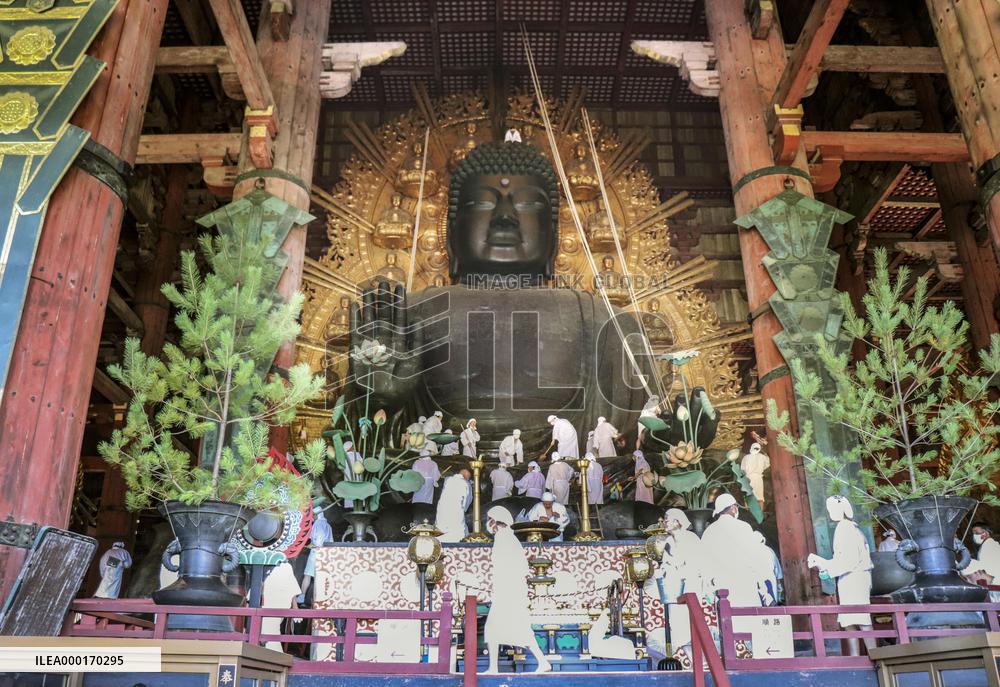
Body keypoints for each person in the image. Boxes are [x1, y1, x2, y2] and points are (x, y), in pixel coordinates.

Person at [483, 506, 552, 674]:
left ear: (495, 522)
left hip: (507, 594)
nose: (488, 523)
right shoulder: (507, 538)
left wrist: (498, 591)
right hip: (508, 593)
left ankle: (542, 662)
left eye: (489, 520)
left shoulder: (504, 539)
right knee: (495, 629)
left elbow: (505, 570)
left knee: (508, 628)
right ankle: (494, 667)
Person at [808, 496, 873, 655]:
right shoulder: (850, 528)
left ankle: (873, 654)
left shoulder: (845, 528)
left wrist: (824, 565)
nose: (830, 512)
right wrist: (824, 564)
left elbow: (847, 561)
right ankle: (857, 656)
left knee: (861, 619)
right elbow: (843, 560)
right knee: (850, 620)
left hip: (854, 578)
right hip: (852, 577)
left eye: (831, 509)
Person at [701, 494, 772, 620]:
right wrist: (763, 588)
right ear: (734, 508)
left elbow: (704, 563)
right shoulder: (743, 527)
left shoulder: (709, 531)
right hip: (744, 583)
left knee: (728, 626)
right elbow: (753, 558)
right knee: (749, 624)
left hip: (721, 587)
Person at [657, 509, 709, 652]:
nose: (664, 522)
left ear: (677, 521)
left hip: (691, 585)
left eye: (667, 519)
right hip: (674, 588)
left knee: (691, 621)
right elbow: (665, 564)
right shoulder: (667, 541)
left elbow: (698, 565)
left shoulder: (691, 539)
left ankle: (696, 655)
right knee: (677, 623)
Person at [299, 505, 334, 602]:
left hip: (316, 553)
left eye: (313, 515)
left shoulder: (318, 524)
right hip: (326, 554)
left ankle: (302, 597)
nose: (312, 517)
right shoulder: (328, 525)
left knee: (308, 575)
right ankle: (317, 600)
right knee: (320, 577)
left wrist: (309, 545)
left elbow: (318, 543)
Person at [436, 469, 471, 542]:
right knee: (456, 530)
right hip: (456, 510)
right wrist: (464, 509)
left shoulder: (448, 479)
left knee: (442, 527)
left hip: (442, 509)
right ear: (466, 476)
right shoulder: (466, 483)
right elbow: (468, 500)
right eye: (468, 477)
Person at [740, 442, 770, 507]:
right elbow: (767, 464)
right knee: (759, 497)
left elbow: (742, 469)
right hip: (758, 478)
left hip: (748, 479)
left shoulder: (746, 457)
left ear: (751, 448)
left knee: (748, 496)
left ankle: (748, 513)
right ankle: (760, 515)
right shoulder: (763, 457)